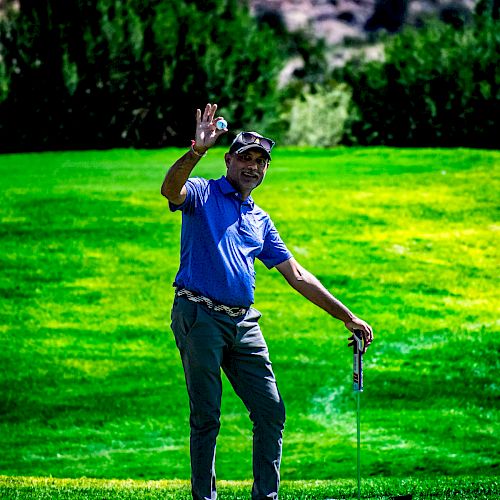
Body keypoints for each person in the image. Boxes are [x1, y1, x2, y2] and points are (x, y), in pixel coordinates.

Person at [161, 103, 373, 500]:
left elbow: (297, 275)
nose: (253, 167)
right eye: (245, 158)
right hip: (198, 316)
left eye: (260, 161)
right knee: (207, 417)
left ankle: (266, 498)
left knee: (271, 411)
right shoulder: (203, 192)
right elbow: (170, 189)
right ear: (229, 159)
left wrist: (347, 316)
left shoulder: (260, 218)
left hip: (244, 324)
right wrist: (196, 151)